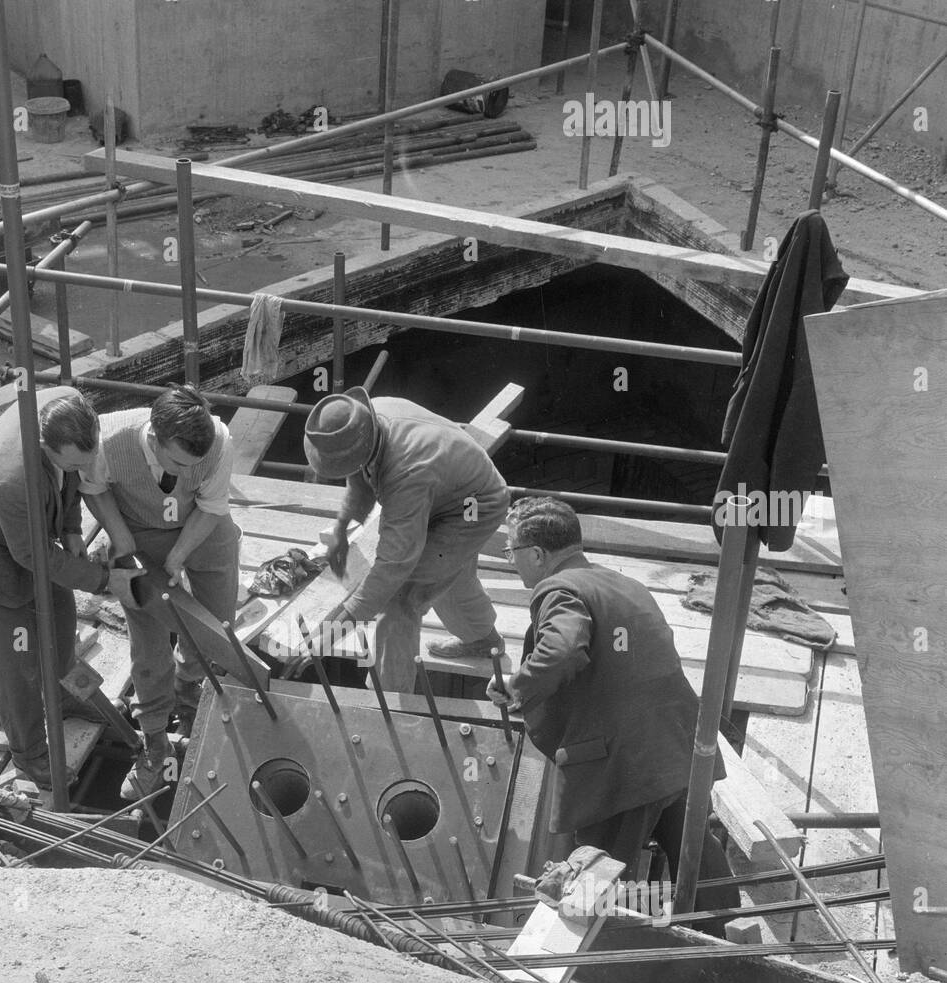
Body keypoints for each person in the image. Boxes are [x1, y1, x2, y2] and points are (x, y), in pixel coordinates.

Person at [487, 496, 739, 922]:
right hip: (677, 745)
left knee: (593, 871)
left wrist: (518, 687)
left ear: (536, 554)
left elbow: (564, 648)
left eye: (511, 552)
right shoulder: (623, 583)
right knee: (690, 846)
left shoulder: (559, 587)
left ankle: (580, 959)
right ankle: (728, 938)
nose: (511, 561)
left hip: (622, 764)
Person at [0, 386, 141, 793]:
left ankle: (63, 696)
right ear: (46, 445)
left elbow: (70, 477)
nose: (83, 463)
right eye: (73, 458)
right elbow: (35, 557)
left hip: (27, 532)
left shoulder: (66, 405)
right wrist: (103, 581)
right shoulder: (9, 477)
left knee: (60, 613)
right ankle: (29, 753)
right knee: (17, 653)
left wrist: (70, 527)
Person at [80, 383, 241, 800]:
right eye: (178, 462)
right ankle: (155, 738)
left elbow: (211, 506)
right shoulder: (107, 442)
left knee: (217, 622)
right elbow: (94, 489)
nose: (186, 469)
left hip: (202, 525)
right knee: (147, 638)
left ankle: (190, 689)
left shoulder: (219, 442)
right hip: (140, 530)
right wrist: (122, 541)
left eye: (195, 463)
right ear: (154, 437)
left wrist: (178, 557)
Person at [303, 387, 508, 692]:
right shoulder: (367, 420)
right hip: (449, 488)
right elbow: (361, 475)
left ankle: (392, 705)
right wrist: (341, 528)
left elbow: (393, 566)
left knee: (402, 596)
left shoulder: (407, 473)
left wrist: (338, 628)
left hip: (473, 507)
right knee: (448, 573)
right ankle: (483, 640)